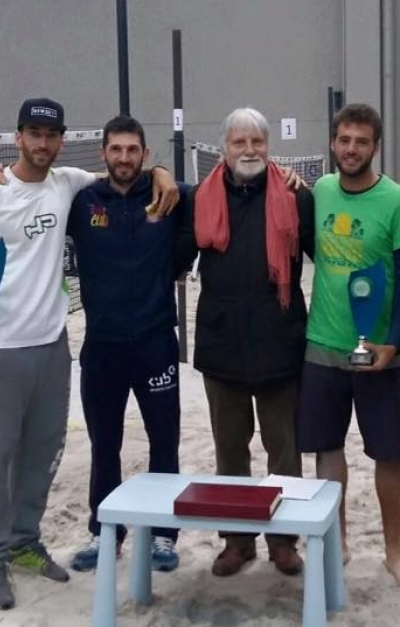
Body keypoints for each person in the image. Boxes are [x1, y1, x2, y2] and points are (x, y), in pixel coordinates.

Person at [0, 97, 178, 611]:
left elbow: (128, 168)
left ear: (62, 140)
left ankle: (26, 542)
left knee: (43, 453)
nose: (42, 143)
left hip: (53, 347)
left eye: (50, 135)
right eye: (33, 133)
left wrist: (162, 171)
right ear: (17, 136)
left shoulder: (69, 184)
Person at [177, 107, 315, 577]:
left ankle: (283, 541)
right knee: (230, 451)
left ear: (269, 147)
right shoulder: (199, 199)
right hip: (222, 346)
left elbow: (330, 257)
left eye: (258, 142)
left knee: (284, 451)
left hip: (281, 342)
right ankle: (237, 540)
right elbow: (175, 257)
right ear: (224, 148)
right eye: (240, 142)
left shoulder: (297, 198)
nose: (250, 151)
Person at [296, 103, 400, 587]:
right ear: (332, 142)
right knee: (327, 452)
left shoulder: (398, 202)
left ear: (375, 146)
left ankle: (393, 551)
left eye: (361, 141)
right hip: (322, 345)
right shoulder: (320, 191)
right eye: (344, 140)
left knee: (388, 454)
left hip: (380, 354)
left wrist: (392, 342)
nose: (351, 149)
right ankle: (339, 544)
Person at [66, 115, 185, 574]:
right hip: (102, 349)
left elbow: (220, 188)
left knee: (164, 444)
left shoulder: (168, 196)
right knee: (104, 445)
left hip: (155, 342)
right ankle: (105, 532)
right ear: (102, 153)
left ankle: (163, 536)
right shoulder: (82, 201)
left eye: (132, 150)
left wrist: (166, 176)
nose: (123, 158)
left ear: (145, 154)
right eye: (115, 149)